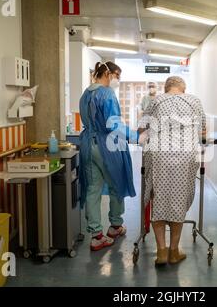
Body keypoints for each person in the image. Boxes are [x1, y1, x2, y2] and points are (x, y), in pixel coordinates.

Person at [138, 76, 206, 265]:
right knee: (178, 198)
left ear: (167, 88)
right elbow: (203, 130)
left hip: (160, 154)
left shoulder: (156, 101)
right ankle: (174, 251)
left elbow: (142, 127)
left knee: (158, 197)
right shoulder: (194, 101)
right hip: (186, 155)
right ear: (183, 88)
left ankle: (161, 251)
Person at [79, 61, 138, 251]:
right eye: (117, 76)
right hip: (107, 145)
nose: (117, 80)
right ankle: (115, 226)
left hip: (88, 144)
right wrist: (137, 136)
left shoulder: (85, 94)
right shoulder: (107, 94)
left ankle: (96, 236)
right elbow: (114, 125)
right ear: (107, 73)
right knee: (116, 185)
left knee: (93, 189)